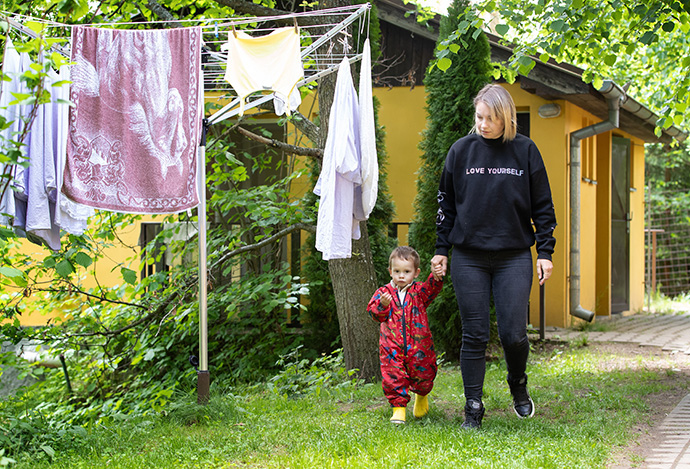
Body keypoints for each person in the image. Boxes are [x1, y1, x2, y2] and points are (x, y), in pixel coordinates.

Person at [431, 84, 557, 429]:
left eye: (491, 118)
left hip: (513, 256)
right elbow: (446, 205)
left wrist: (545, 252)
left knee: (514, 334)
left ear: (506, 118)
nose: (484, 124)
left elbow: (543, 207)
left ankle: (518, 384)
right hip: (468, 256)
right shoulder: (461, 151)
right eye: (480, 117)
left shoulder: (525, 151)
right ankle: (473, 406)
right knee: (474, 334)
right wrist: (442, 249)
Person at [367, 246, 444, 424]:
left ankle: (421, 397)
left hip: (419, 346)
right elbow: (374, 314)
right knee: (393, 375)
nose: (401, 276)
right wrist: (382, 305)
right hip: (391, 346)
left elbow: (432, 289)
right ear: (390, 271)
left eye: (406, 271)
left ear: (416, 273)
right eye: (397, 271)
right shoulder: (383, 293)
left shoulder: (419, 293)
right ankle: (398, 409)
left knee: (423, 372)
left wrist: (436, 275)